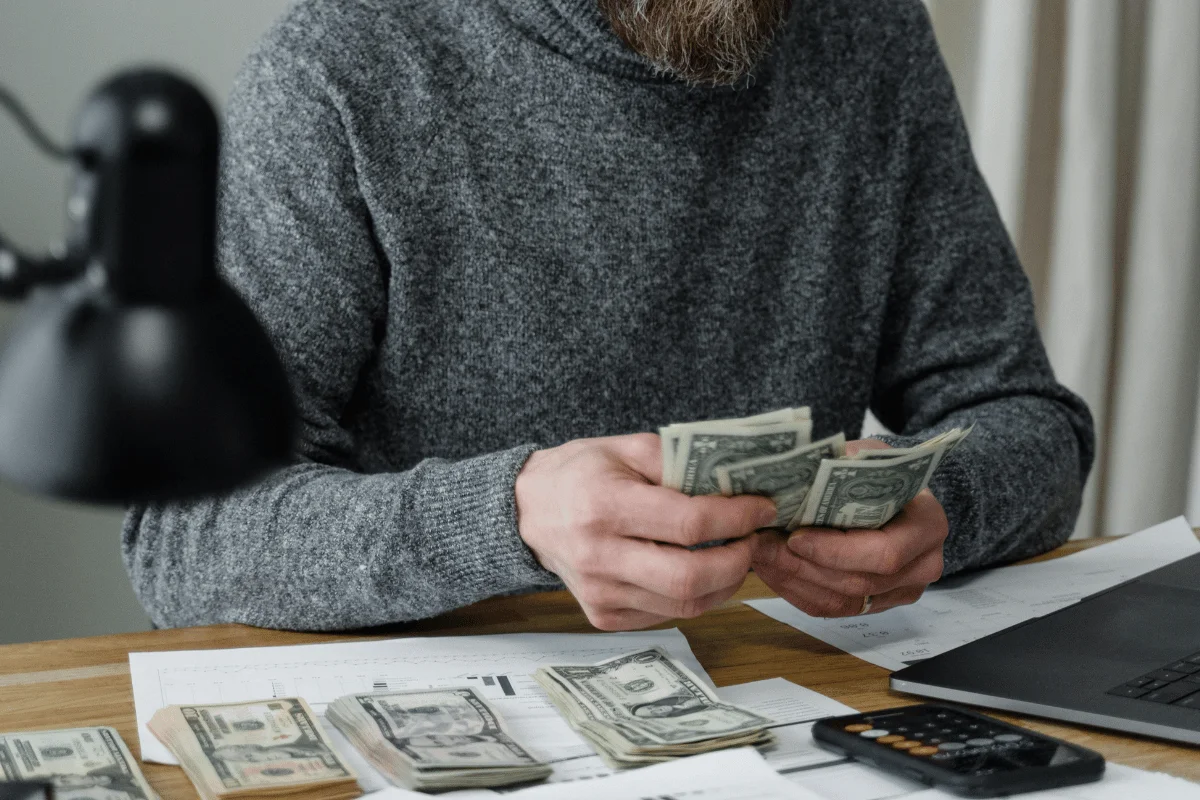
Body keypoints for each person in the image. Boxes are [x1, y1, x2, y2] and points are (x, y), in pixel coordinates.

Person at [122, 0, 1094, 633]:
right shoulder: (340, 71)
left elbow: (1026, 417)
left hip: (793, 711)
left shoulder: (867, 35)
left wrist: (942, 508)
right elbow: (185, 532)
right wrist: (508, 518)